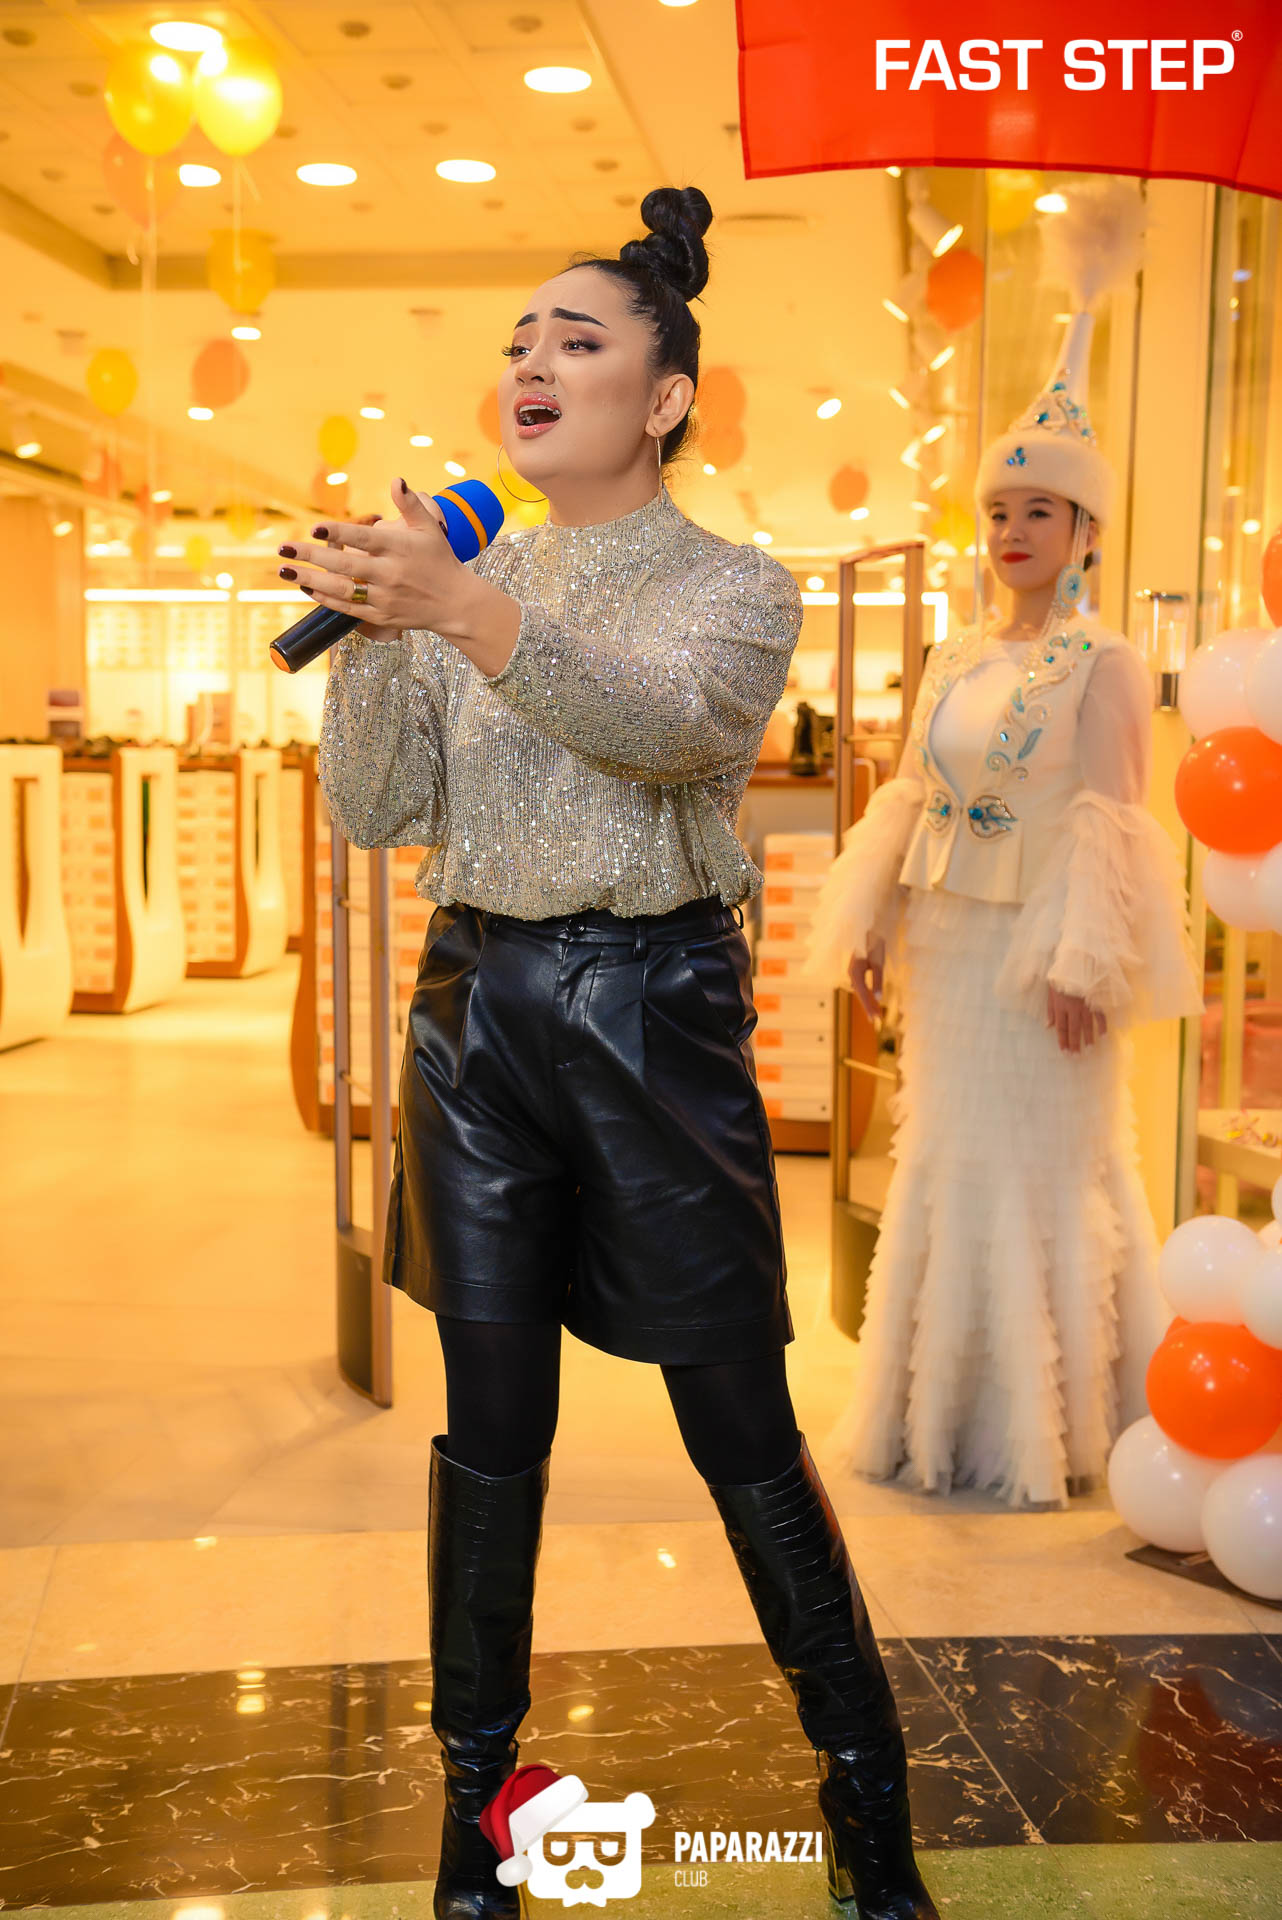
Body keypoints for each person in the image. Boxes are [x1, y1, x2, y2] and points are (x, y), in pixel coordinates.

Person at [302, 187, 938, 1920]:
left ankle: (865, 1806)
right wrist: (373, 642)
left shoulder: (733, 588)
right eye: (519, 340)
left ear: (661, 397)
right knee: (489, 1432)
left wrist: (459, 612)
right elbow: (378, 809)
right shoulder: (471, 576)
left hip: (651, 1017)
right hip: (474, 1014)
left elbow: (665, 730)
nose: (531, 362)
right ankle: (476, 1832)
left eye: (575, 340)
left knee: (736, 1419)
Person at [802, 185, 1202, 1513]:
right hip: (952, 951)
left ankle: (1059, 1424)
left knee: (1041, 1168)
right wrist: (871, 922)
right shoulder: (954, 656)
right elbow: (913, 795)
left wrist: (1086, 963)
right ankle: (939, 1418)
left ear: (1085, 531)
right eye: (999, 511)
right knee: (949, 1159)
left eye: (1041, 511)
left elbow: (1112, 822)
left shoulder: (1106, 661)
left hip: (1041, 969)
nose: (1014, 532)